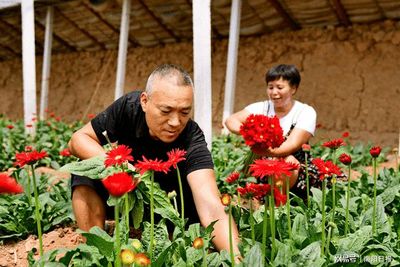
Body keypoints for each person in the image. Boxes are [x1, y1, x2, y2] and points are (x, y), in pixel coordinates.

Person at [68, 64, 240, 254]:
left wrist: (236, 258)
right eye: (166, 111)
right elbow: (77, 140)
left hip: (172, 209)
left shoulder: (192, 138)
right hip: (132, 196)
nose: (175, 122)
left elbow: (210, 204)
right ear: (144, 101)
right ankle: (95, 250)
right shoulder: (128, 109)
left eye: (184, 112)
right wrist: (118, 165)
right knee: (85, 168)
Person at [224, 64, 318, 198]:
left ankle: (275, 204)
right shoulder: (261, 108)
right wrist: (250, 133)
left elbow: (290, 146)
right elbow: (231, 120)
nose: (274, 92)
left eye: (280, 87)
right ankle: (256, 200)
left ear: (293, 89)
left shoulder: (305, 112)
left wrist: (263, 150)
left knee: (287, 163)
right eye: (270, 87)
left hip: (296, 169)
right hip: (260, 163)